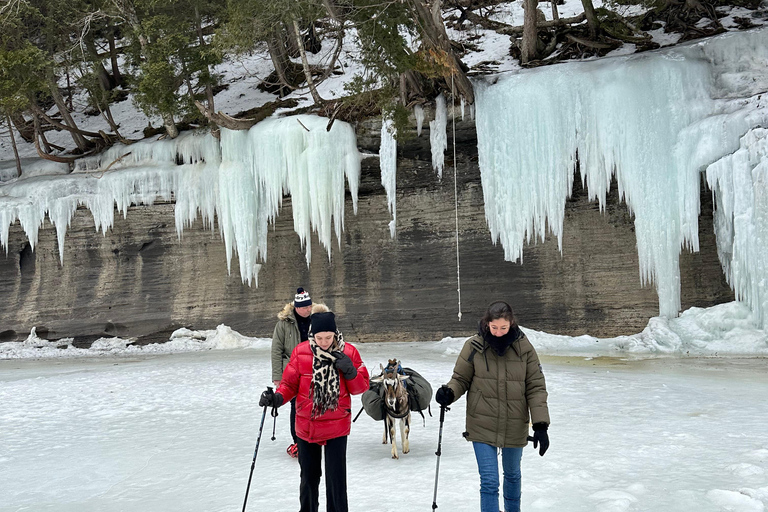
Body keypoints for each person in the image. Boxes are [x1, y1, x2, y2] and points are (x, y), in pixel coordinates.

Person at [435, 301, 550, 512]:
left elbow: (535, 387)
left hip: (514, 424)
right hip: (482, 422)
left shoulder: (524, 348)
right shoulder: (474, 346)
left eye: (503, 328)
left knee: (513, 475)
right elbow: (461, 379)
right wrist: (449, 392)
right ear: (487, 323)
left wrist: (540, 425)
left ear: (512, 323)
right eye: (494, 327)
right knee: (489, 481)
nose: (498, 333)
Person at [260, 309, 369, 512]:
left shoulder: (349, 352)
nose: (324, 342)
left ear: (335, 334)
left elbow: (361, 388)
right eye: (319, 337)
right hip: (307, 424)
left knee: (336, 482)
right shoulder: (300, 352)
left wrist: (350, 371)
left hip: (336, 425)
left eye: (328, 337)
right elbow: (289, 385)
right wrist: (276, 398)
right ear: (312, 334)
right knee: (309, 479)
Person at [271, 287, 315, 458]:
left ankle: (315, 437)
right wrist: (277, 377)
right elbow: (276, 350)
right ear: (297, 308)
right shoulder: (283, 324)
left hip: (314, 371)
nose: (308, 309)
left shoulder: (316, 320)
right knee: (296, 406)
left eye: (310, 306)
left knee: (314, 405)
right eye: (305, 307)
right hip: (293, 371)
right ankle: (298, 441)